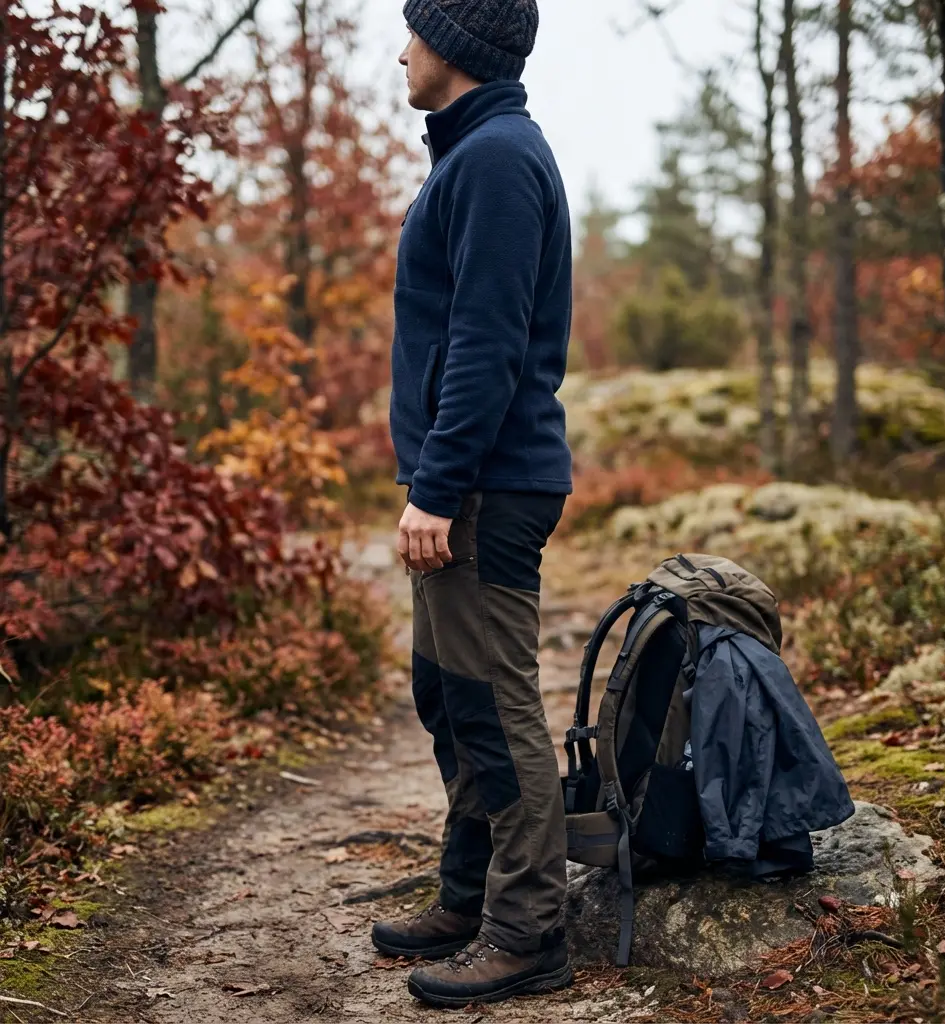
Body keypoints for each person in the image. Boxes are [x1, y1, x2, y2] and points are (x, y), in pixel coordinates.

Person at [370, 0, 575, 1009]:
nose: (400, 48)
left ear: (452, 46)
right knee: (445, 694)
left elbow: (487, 346)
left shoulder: (494, 158)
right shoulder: (471, 155)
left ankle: (527, 928)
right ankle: (467, 891)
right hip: (472, 482)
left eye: (413, 28)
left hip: (487, 486)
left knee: (493, 709)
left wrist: (436, 487)